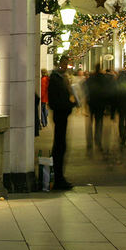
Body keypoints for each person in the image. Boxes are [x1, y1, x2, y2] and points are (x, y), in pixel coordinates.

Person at [47, 55, 76, 191]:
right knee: (59, 146)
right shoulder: (56, 78)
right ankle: (58, 178)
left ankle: (59, 177)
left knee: (61, 145)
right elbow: (56, 99)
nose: (66, 66)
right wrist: (69, 103)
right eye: (65, 63)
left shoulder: (60, 78)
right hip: (60, 115)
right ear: (61, 64)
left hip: (62, 114)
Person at [85, 63, 115, 153]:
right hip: (100, 104)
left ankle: (89, 143)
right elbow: (107, 90)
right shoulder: (103, 78)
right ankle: (98, 141)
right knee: (99, 122)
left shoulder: (91, 78)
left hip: (92, 103)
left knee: (90, 123)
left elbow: (87, 88)